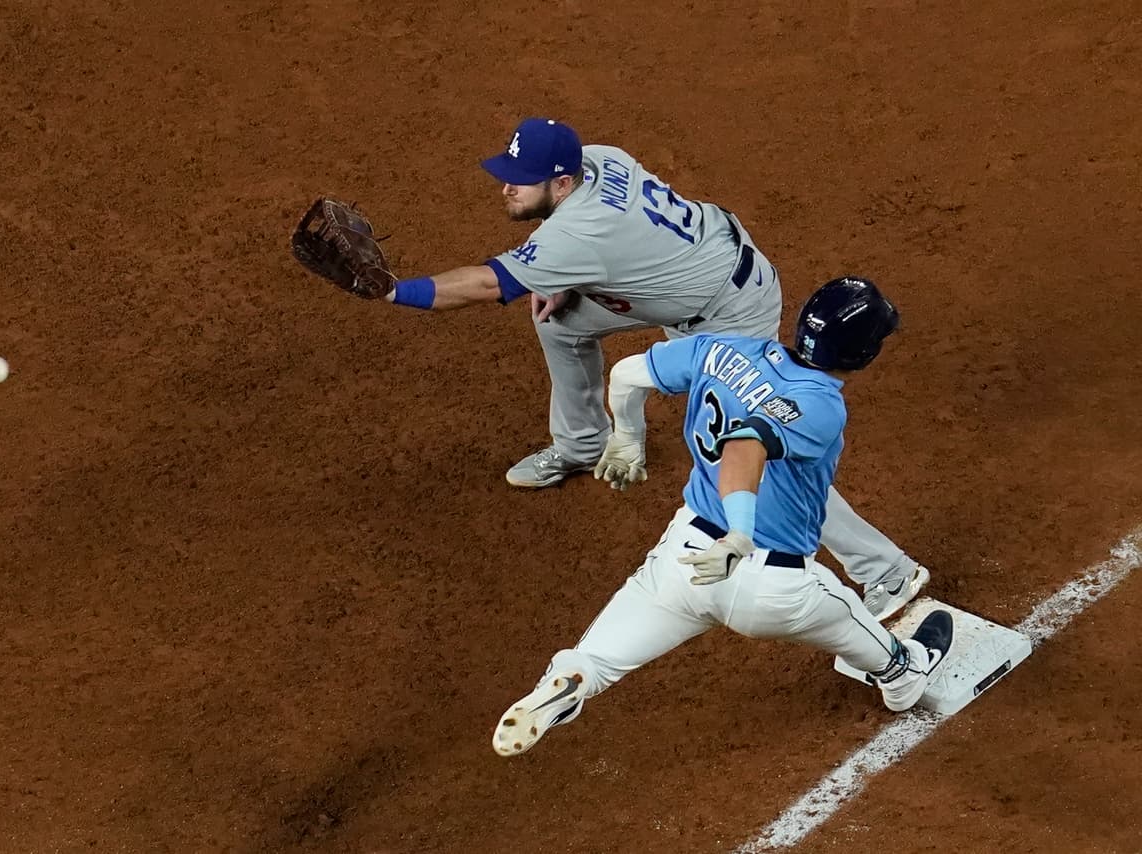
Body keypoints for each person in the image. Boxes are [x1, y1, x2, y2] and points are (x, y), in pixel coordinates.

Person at [379, 116, 926, 621]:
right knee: (561, 323)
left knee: (750, 451)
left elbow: (486, 284)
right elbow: (618, 241)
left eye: (522, 181)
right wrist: (564, 278)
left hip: (730, 311)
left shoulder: (578, 232)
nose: (506, 187)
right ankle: (581, 445)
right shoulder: (599, 157)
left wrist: (392, 291)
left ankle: (886, 571)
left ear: (563, 183)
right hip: (689, 278)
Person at [491, 277, 954, 756]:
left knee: (597, 658)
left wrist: (627, 438)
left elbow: (628, 374)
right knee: (849, 619)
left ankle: (573, 676)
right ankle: (904, 673)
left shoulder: (724, 348)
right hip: (771, 586)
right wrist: (738, 535)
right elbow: (745, 446)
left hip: (683, 559)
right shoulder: (822, 404)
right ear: (864, 353)